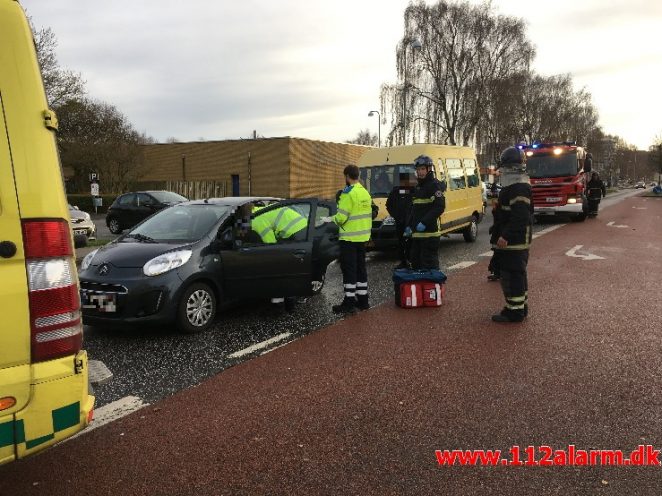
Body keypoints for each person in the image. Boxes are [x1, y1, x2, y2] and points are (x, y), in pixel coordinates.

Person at [489, 146, 533, 323]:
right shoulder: (515, 186)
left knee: (512, 274)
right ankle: (520, 307)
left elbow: (520, 216)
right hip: (515, 239)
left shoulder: (518, 188)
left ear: (510, 168)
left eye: (503, 168)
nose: (501, 172)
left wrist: (505, 236)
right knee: (517, 274)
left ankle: (514, 311)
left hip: (514, 241)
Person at [330, 164, 373, 313]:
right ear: (358, 176)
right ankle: (363, 301)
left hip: (348, 238)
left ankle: (349, 302)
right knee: (361, 269)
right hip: (362, 237)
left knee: (349, 270)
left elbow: (341, 218)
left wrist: (329, 220)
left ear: (347, 176)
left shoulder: (348, 194)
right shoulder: (365, 193)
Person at [405, 155, 445, 270]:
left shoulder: (434, 185)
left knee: (429, 265)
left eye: (422, 169)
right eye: (418, 170)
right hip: (417, 235)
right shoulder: (418, 187)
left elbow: (439, 207)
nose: (420, 172)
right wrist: (409, 225)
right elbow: (413, 210)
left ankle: (433, 288)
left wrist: (424, 222)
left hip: (430, 234)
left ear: (428, 169)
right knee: (415, 263)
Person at [386, 172, 413, 269]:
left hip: (410, 222)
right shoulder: (396, 192)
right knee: (401, 242)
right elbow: (389, 205)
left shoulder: (413, 191)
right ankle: (403, 261)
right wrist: (396, 216)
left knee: (411, 242)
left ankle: (411, 260)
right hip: (400, 222)